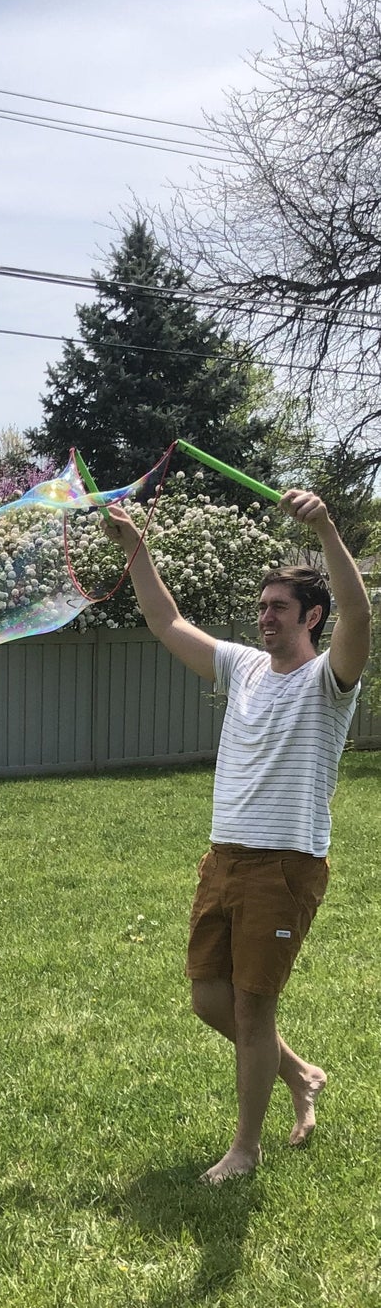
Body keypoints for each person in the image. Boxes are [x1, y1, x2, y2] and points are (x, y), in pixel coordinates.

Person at [104, 489, 371, 1185]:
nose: (264, 616)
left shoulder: (329, 681)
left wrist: (325, 527)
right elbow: (165, 620)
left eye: (278, 607)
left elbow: (360, 616)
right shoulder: (243, 667)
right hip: (223, 857)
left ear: (311, 617)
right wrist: (136, 549)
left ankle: (245, 1149)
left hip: (284, 865)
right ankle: (299, 1072)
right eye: (261, 606)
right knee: (208, 996)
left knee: (253, 1006)